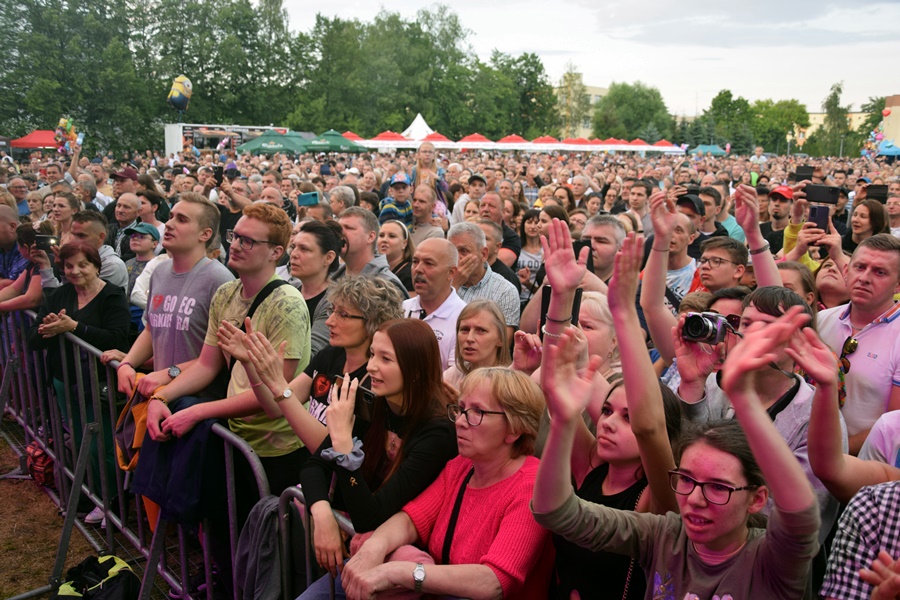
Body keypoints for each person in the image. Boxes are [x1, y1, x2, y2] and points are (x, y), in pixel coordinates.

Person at [534, 305, 820, 600]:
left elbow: (801, 516)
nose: (695, 499)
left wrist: (743, 396)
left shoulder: (770, 559)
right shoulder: (664, 536)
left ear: (757, 499)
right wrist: (564, 421)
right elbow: (554, 511)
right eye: (686, 480)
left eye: (718, 487)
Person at [536, 227, 682, 599]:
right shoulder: (590, 465)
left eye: (627, 417)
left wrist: (624, 312)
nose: (609, 423)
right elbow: (556, 382)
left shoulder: (658, 497)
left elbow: (650, 429)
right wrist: (562, 298)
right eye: (606, 411)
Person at [339, 367, 554, 600]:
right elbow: (411, 520)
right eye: (460, 409)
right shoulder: (462, 466)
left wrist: (399, 572)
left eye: (477, 412)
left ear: (514, 429)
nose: (460, 421)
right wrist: (374, 548)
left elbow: (493, 581)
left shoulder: (532, 487)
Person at [297, 319, 459, 597]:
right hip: (363, 550)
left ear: (415, 369)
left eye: (385, 359)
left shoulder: (437, 432)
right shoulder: (373, 404)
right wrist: (322, 515)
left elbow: (369, 518)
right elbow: (313, 467)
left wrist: (344, 446)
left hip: (405, 564)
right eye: (372, 354)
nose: (371, 366)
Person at [237, 276, 402, 461]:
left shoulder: (374, 379)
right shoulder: (331, 354)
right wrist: (249, 364)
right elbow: (275, 408)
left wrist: (279, 385)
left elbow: (327, 449)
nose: (329, 321)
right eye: (332, 311)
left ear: (373, 323)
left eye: (343, 314)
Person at [27, 242, 130, 525]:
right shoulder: (60, 294)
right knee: (83, 440)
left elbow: (118, 340)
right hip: (64, 381)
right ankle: (96, 496)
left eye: (83, 264)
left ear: (96, 266)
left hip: (98, 384)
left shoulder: (112, 296)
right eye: (69, 266)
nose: (75, 271)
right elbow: (32, 339)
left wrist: (74, 327)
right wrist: (48, 329)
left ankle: (115, 503)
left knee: (103, 446)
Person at [817, 234, 900, 454]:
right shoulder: (821, 320)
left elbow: (895, 426)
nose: (864, 278)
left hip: (867, 465)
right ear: (847, 271)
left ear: (898, 284)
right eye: (860, 267)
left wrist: (834, 455)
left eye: (880, 272)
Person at [401, 238, 465, 372]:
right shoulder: (401, 309)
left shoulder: (463, 318)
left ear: (451, 273)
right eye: (415, 262)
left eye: (428, 263)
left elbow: (455, 379)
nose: (418, 269)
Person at [448, 222, 520, 339]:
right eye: (453, 251)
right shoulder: (439, 282)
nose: (457, 257)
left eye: (464, 251)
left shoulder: (505, 291)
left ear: (483, 254)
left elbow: (502, 343)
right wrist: (454, 285)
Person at [287, 219, 345, 356]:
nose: (294, 254)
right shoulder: (288, 290)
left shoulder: (334, 302)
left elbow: (310, 355)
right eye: (293, 247)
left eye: (304, 249)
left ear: (328, 258)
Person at [442, 300, 511, 389]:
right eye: (465, 329)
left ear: (500, 339)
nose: (469, 338)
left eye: (481, 330)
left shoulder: (510, 385)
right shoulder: (454, 374)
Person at [377, 219, 415, 296]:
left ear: (404, 243)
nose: (384, 240)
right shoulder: (374, 268)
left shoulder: (411, 273)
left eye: (392, 236)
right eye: (381, 235)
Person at [516, 208, 543, 306]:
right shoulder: (515, 248)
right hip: (516, 297)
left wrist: (527, 284)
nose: (532, 226)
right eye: (529, 222)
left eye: (536, 222)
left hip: (536, 300)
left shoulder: (545, 251)